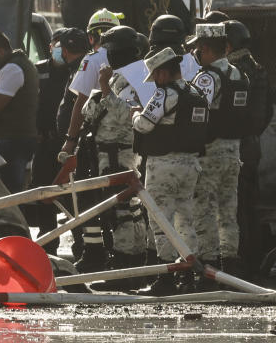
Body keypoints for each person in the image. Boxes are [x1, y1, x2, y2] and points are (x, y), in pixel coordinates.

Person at [132, 45, 208, 295]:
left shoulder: (165, 95)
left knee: (161, 219)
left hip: (164, 165)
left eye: (155, 76)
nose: (154, 81)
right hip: (190, 165)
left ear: (163, 73)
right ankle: (188, 274)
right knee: (185, 218)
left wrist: (134, 115)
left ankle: (165, 278)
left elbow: (144, 125)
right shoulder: (197, 93)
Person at [74, 25, 149, 277]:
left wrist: (104, 88)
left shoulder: (132, 77)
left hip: (120, 152)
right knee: (112, 206)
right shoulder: (124, 75)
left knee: (124, 210)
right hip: (105, 152)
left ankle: (127, 263)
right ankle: (110, 257)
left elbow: (124, 114)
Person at [191, 23, 250, 276]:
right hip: (233, 150)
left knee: (204, 207)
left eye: (197, 49)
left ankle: (209, 264)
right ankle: (230, 262)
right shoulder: (239, 74)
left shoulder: (207, 77)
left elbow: (197, 112)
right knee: (228, 208)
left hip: (210, 150)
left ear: (205, 49)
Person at [29, 28, 88, 253]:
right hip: (45, 143)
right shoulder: (40, 69)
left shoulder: (78, 69)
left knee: (72, 196)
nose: (56, 50)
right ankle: (47, 247)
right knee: (44, 195)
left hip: (68, 143)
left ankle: (81, 243)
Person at [224, 19, 273, 276]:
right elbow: (267, 112)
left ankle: (240, 261)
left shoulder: (233, 70)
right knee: (251, 206)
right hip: (253, 145)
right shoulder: (258, 68)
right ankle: (255, 261)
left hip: (237, 146)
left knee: (235, 206)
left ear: (229, 44)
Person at [0, 29, 39, 194]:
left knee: (9, 191)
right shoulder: (14, 65)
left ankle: (14, 220)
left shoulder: (13, 68)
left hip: (14, 140)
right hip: (15, 138)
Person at [58, 8, 123, 163]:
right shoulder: (132, 57)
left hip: (101, 136)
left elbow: (81, 100)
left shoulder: (92, 60)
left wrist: (71, 140)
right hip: (128, 133)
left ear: (91, 37)